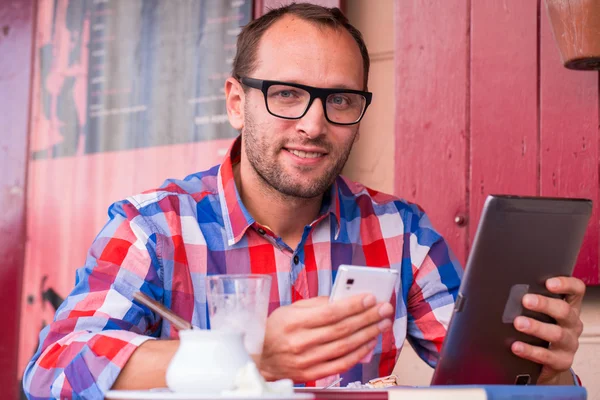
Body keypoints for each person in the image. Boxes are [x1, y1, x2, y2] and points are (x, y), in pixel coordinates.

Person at [23, 3, 586, 399]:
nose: (314, 125)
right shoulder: (154, 227)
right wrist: (245, 360)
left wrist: (550, 372)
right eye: (286, 94)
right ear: (237, 103)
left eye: (340, 99)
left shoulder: (400, 230)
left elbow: (484, 380)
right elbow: (53, 369)